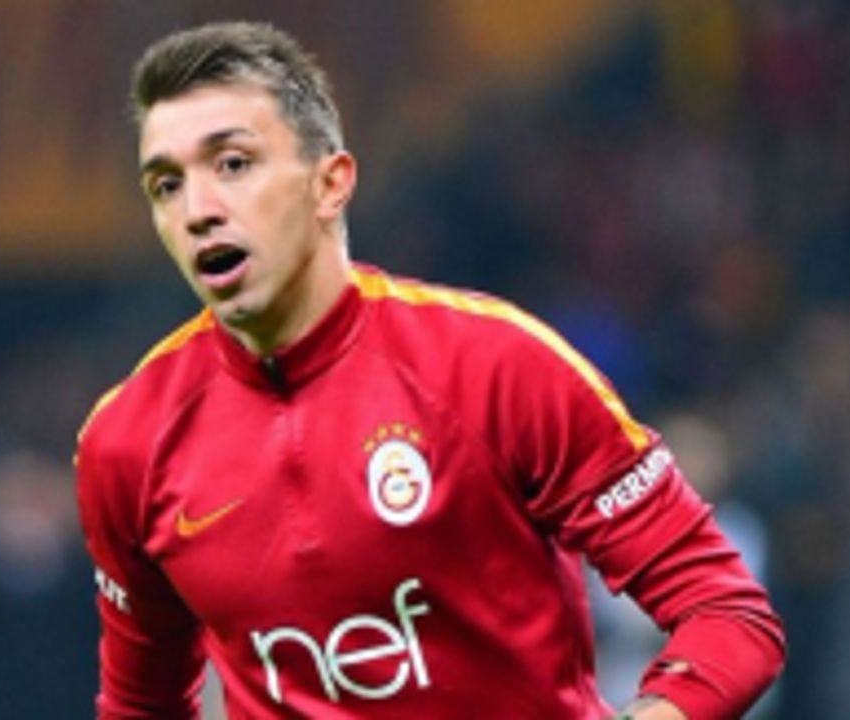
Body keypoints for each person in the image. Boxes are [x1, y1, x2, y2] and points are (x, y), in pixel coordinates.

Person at [74, 21, 784, 720]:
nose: (197, 209)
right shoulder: (127, 443)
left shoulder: (497, 367)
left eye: (232, 164)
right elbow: (139, 706)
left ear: (330, 184)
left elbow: (727, 614)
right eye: (166, 184)